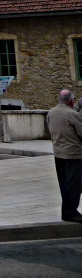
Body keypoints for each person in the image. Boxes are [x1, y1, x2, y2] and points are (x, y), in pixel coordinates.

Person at [47, 89, 82, 224]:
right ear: (71, 101)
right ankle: (71, 212)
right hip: (73, 153)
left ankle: (66, 211)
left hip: (58, 152)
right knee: (73, 184)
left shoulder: (51, 112)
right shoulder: (72, 114)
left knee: (64, 184)